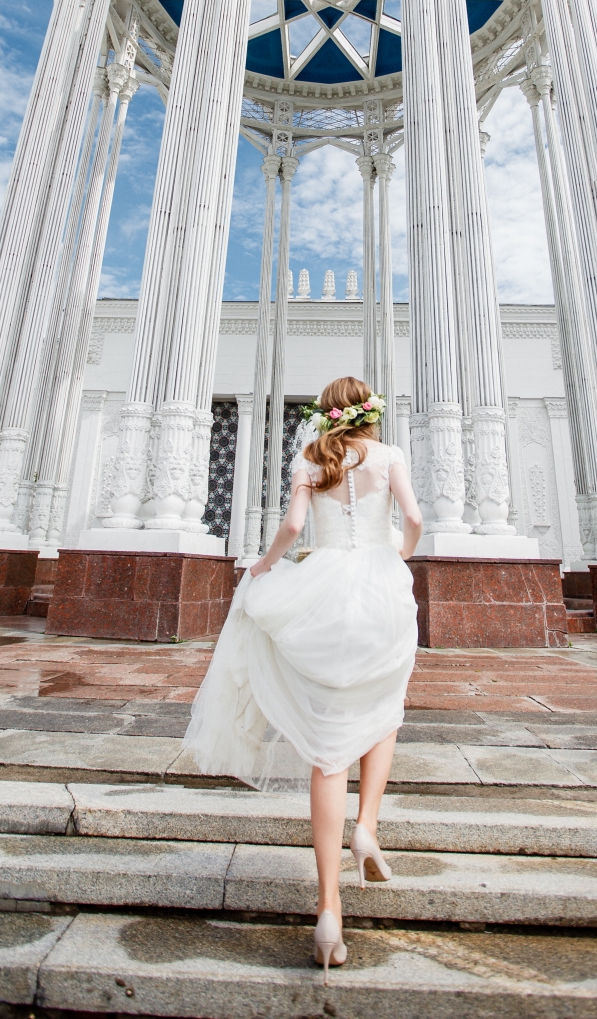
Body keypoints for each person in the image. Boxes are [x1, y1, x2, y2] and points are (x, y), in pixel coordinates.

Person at [183, 376, 423, 981]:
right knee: (384, 710)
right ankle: (366, 829)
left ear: (326, 414)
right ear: (371, 411)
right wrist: (399, 554)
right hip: (381, 589)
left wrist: (264, 568)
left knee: (327, 747)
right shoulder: (390, 456)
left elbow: (292, 530)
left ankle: (328, 910)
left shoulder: (312, 459)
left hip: (324, 590)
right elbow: (414, 519)